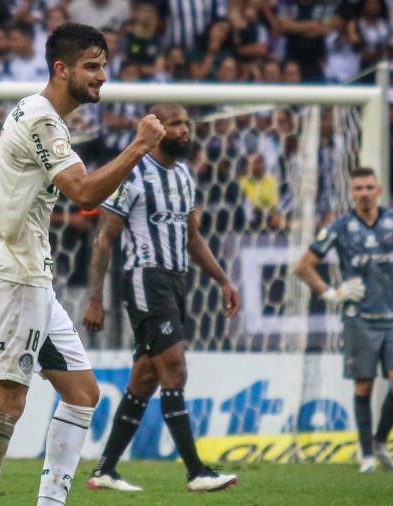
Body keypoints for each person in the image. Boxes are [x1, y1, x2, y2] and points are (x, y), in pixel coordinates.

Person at [0, 23, 165, 506]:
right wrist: (139, 146)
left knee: (82, 393)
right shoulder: (42, 120)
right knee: (7, 401)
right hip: (12, 277)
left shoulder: (43, 115)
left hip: (31, 278)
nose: (102, 77)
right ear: (61, 68)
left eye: (104, 66)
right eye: (92, 67)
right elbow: (85, 193)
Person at [83, 104, 241, 493]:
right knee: (174, 366)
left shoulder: (185, 176)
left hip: (176, 281)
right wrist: (95, 298)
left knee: (146, 376)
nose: (184, 130)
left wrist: (223, 280)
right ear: (155, 130)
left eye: (186, 123)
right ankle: (196, 471)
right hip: (144, 278)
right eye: (175, 124)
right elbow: (104, 237)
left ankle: (105, 470)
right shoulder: (132, 174)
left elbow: (192, 238)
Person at [294, 167, 393, 473]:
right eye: (358, 188)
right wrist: (330, 293)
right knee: (364, 385)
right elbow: (303, 266)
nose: (364, 193)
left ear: (379, 190)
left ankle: (380, 441)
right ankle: (366, 454)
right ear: (351, 193)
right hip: (358, 318)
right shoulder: (340, 227)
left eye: (369, 187)